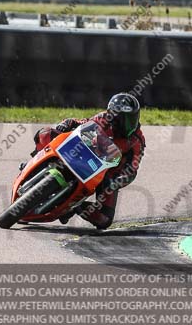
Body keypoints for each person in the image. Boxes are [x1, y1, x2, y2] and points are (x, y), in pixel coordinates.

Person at [33, 92, 145, 229]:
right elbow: (82, 124)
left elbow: (133, 168)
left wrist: (119, 179)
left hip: (104, 174)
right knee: (45, 134)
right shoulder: (103, 118)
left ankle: (76, 206)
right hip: (82, 153)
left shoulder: (137, 140)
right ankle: (34, 162)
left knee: (104, 220)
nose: (125, 124)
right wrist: (68, 123)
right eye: (120, 119)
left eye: (130, 118)